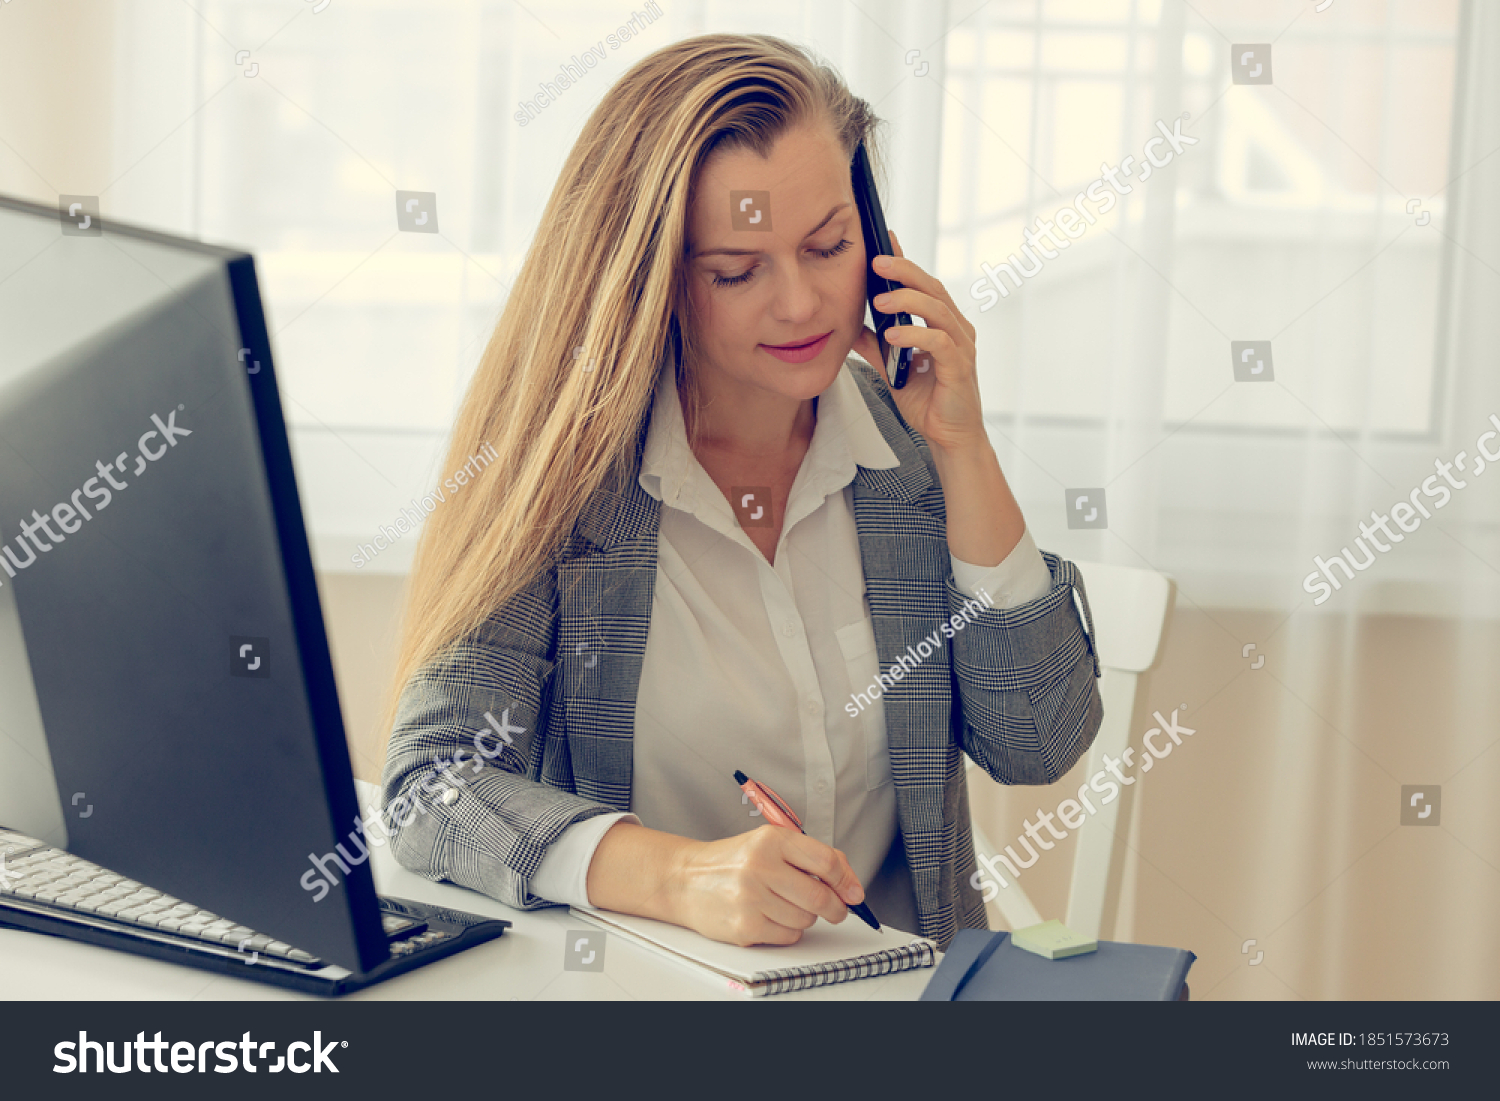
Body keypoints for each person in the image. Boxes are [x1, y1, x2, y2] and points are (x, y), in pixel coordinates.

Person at [378, 33, 1103, 952]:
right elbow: (433, 786)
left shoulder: (911, 456)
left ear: (878, 242)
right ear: (652, 281)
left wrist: (964, 448)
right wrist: (677, 874)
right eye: (737, 270)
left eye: (829, 246)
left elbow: (1039, 740)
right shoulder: (564, 476)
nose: (801, 303)